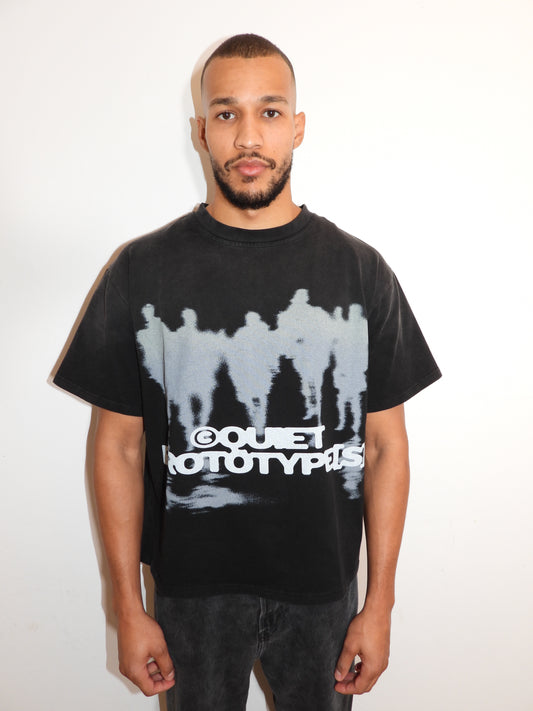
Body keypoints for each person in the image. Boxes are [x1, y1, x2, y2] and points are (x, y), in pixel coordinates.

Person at [53, 33, 441, 711]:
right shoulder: (142, 269)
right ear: (201, 131)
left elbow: (385, 446)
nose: (248, 136)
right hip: (191, 595)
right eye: (227, 113)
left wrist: (378, 603)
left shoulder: (359, 271)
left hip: (323, 593)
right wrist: (126, 606)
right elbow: (116, 447)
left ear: (297, 127)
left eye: (269, 111)